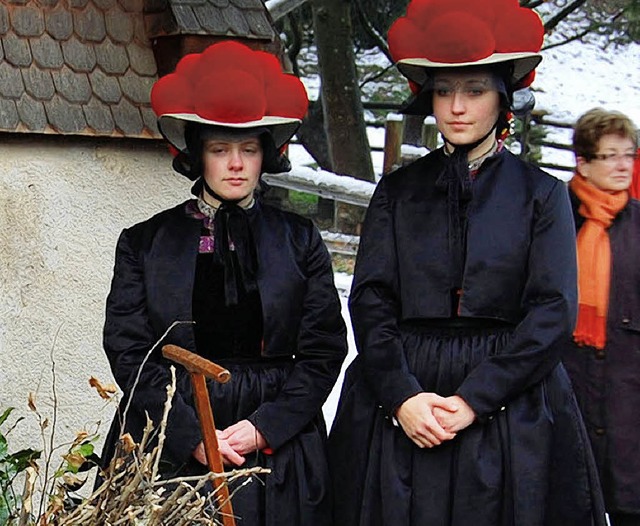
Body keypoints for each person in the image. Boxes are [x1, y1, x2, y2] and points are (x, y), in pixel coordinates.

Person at [328, 1, 606, 525]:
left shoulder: (541, 195)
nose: (456, 106)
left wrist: (477, 399)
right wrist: (402, 396)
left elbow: (552, 312)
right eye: (444, 91)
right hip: (403, 394)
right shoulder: (398, 191)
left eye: (474, 91)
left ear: (502, 101)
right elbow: (370, 299)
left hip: (508, 402)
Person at [99, 41, 347, 525]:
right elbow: (129, 349)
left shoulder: (299, 240)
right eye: (220, 149)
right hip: (172, 432)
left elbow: (323, 351)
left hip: (278, 443)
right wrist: (190, 434)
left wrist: (265, 427)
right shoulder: (144, 243)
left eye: (248, 149)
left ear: (265, 156)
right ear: (198, 155)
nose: (235, 163)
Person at [561, 108, 640, 526]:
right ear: (583, 163)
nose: (623, 164)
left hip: (629, 400)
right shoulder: (554, 217)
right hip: (566, 388)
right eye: (610, 155)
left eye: (628, 153)